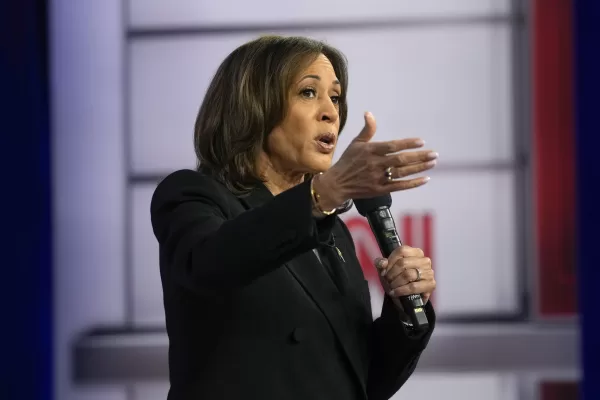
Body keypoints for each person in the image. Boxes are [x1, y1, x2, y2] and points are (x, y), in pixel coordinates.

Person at [150, 35, 439, 400]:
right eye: (308, 92)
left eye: (334, 97)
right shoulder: (192, 196)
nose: (331, 112)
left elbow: (360, 383)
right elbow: (210, 264)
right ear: (253, 106)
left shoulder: (331, 231)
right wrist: (321, 195)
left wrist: (402, 309)